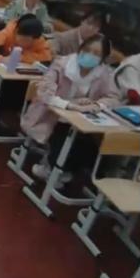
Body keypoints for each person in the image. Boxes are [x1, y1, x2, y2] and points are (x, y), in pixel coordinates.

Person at [22, 35, 120, 183]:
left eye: (96, 54)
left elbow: (113, 98)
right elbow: (44, 92)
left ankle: (65, 168)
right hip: (50, 115)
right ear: (80, 49)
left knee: (91, 146)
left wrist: (97, 105)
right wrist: (70, 105)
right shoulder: (61, 65)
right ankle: (51, 166)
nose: (89, 55)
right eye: (87, 50)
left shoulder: (104, 73)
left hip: (80, 121)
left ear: (102, 59)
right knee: (64, 138)